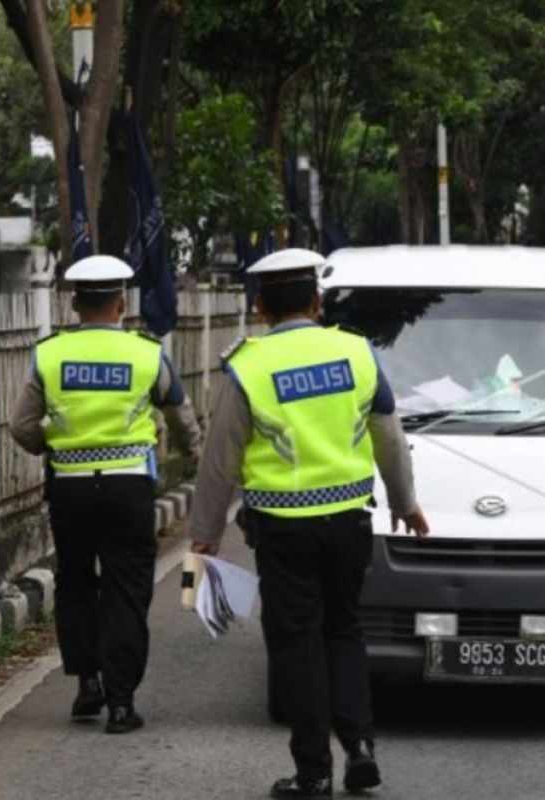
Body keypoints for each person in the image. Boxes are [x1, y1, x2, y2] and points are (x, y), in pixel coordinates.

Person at [186, 248, 428, 799]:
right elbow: (389, 436)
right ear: (317, 300)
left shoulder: (248, 365)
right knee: (343, 629)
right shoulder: (358, 352)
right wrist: (405, 502)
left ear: (261, 307)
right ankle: (361, 746)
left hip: (281, 525)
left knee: (296, 643)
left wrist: (206, 532)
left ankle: (313, 770)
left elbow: (220, 457)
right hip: (349, 520)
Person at [9, 254, 202, 734]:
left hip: (70, 487)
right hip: (128, 486)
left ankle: (88, 683)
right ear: (121, 303)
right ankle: (120, 702)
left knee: (75, 582)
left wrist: (51, 445)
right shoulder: (146, 353)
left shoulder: (49, 354)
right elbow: (180, 413)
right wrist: (193, 454)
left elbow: (21, 426)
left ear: (75, 304)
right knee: (126, 589)